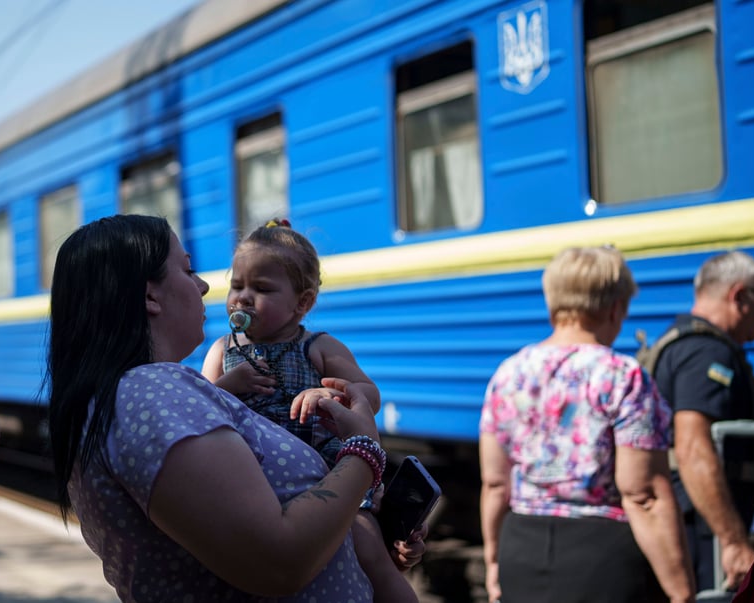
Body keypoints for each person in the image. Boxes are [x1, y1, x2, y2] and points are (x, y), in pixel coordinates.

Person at [47, 214, 423, 601]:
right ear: (149, 296)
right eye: (188, 270)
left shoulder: (139, 395)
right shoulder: (152, 392)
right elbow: (279, 560)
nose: (205, 285)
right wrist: (363, 453)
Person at [200, 218, 419, 603]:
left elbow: (369, 393)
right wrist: (227, 387)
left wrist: (328, 394)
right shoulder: (222, 350)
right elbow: (200, 410)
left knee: (369, 549)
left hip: (329, 475)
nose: (242, 298)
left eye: (261, 288)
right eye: (236, 285)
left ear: (303, 303)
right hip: (252, 478)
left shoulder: (319, 346)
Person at [479, 246, 695, 603]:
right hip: (601, 558)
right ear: (615, 307)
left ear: (554, 303)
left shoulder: (509, 374)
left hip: (520, 547)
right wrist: (681, 589)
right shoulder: (623, 377)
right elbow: (643, 495)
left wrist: (492, 560)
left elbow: (495, 483)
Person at [645, 250, 754, 593]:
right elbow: (693, 448)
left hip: (697, 519)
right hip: (705, 528)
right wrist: (734, 541)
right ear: (739, 297)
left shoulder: (679, 341)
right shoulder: (707, 353)